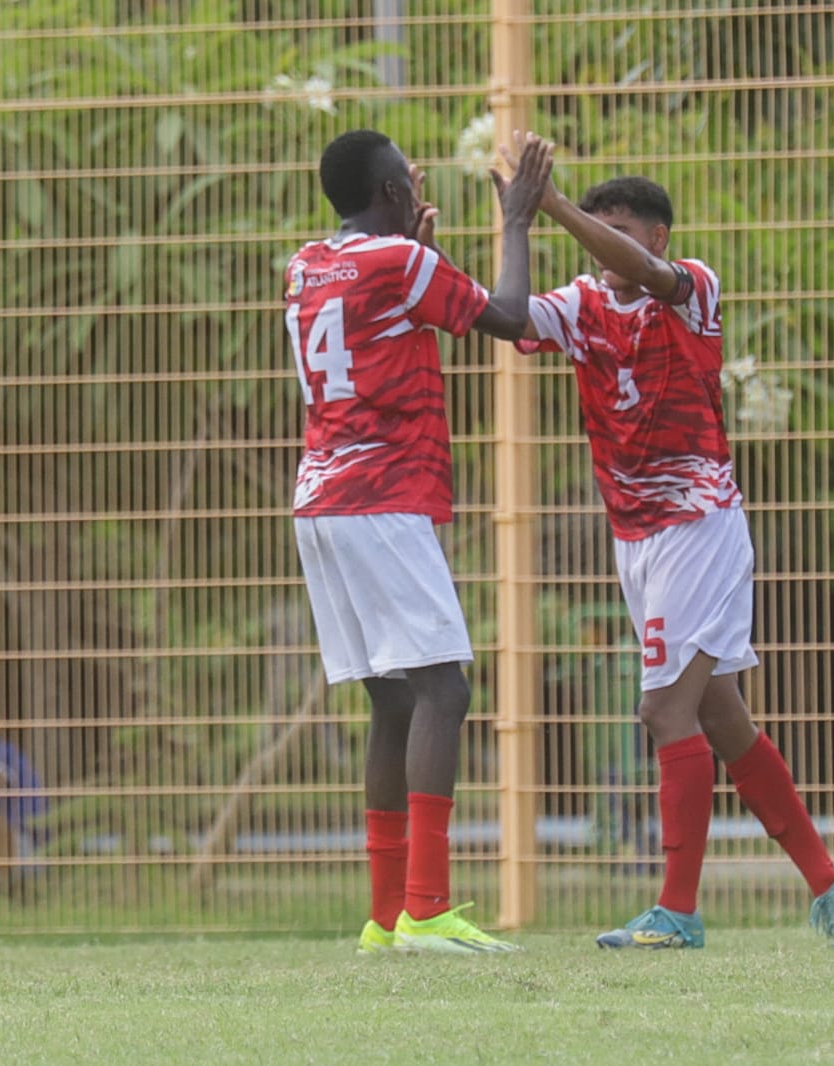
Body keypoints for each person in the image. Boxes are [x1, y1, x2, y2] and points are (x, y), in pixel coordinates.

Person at [511, 165, 834, 949]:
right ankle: (831, 880)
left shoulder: (693, 287)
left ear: (658, 237)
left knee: (662, 708)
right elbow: (505, 317)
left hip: (699, 522)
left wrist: (558, 207)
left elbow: (643, 272)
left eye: (622, 230)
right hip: (634, 536)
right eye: (596, 230)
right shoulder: (581, 306)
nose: (607, 249)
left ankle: (677, 910)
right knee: (721, 717)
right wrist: (508, 225)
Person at [286, 129, 552, 954]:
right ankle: (428, 907)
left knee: (393, 699)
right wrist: (515, 221)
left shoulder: (306, 264)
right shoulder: (401, 266)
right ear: (398, 189)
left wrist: (413, 246)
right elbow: (510, 318)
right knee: (446, 688)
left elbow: (376, 324)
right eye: (410, 176)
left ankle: (384, 915)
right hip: (381, 494)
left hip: (321, 498)